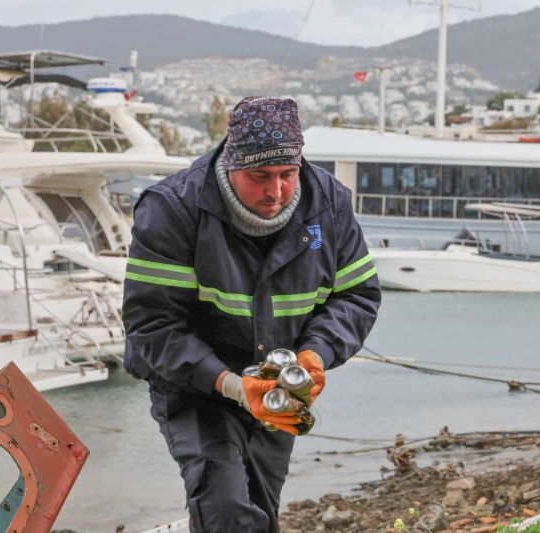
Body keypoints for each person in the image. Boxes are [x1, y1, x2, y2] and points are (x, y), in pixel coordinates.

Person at [122, 96, 381, 532]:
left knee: (261, 512)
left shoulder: (329, 205)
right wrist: (233, 385)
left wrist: (316, 355)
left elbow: (357, 295)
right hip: (197, 386)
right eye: (260, 176)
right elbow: (151, 326)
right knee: (225, 511)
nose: (276, 192)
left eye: (287, 174)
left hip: (279, 388)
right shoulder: (172, 209)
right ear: (230, 164)